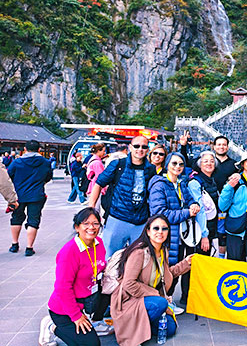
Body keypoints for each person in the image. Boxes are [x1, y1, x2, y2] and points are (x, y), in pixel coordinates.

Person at [111, 215, 192, 346]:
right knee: (160, 303)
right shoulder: (139, 252)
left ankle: (143, 325)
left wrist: (186, 263)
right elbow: (128, 284)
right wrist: (156, 294)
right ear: (148, 231)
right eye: (156, 228)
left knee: (170, 329)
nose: (160, 232)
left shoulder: (163, 251)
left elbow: (167, 274)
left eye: (164, 229)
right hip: (130, 300)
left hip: (148, 298)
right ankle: (130, 327)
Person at [40, 208, 106, 346]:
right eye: (86, 223)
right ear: (77, 227)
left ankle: (93, 321)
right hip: (65, 309)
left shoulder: (98, 243)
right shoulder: (69, 252)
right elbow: (62, 288)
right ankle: (52, 326)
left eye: (95, 223)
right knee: (92, 344)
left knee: (111, 290)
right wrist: (76, 316)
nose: (91, 227)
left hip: (88, 299)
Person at [88, 136, 156, 259]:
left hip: (140, 221)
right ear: (130, 147)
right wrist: (91, 208)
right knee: (110, 258)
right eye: (136, 146)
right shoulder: (118, 164)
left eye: (144, 147)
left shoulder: (151, 169)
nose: (140, 149)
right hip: (117, 218)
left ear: (147, 150)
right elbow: (99, 183)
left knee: (137, 260)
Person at [148, 152, 199, 305]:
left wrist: (194, 205)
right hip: (165, 236)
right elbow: (160, 213)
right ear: (167, 165)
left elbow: (190, 199)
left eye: (181, 164)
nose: (177, 167)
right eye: (174, 163)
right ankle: (160, 303)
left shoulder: (181, 183)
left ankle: (168, 302)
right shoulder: (159, 185)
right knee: (165, 270)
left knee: (175, 269)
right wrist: (187, 213)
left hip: (180, 234)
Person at [7, 139, 53, 256]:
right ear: (39, 150)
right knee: (33, 220)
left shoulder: (17, 162)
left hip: (19, 195)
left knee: (16, 218)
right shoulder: (45, 162)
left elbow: (9, 176)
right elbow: (48, 177)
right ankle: (29, 247)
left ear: (25, 149)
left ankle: (14, 244)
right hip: (37, 195)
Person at [220, 151, 247, 263]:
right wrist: (229, 187)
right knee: (234, 263)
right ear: (242, 164)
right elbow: (222, 205)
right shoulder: (235, 181)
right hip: (235, 227)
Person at [187, 151, 219, 257]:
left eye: (211, 161)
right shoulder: (195, 183)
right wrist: (203, 235)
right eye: (205, 161)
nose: (209, 163)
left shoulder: (212, 180)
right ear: (199, 165)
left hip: (210, 227)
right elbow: (199, 210)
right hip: (198, 231)